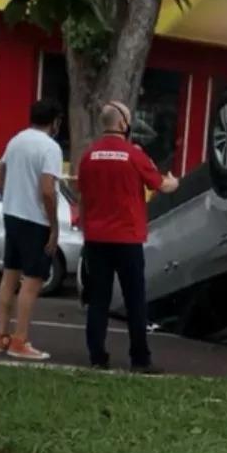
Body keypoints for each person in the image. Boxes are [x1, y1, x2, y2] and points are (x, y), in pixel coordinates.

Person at [78, 101, 179, 373]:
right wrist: (175, 181)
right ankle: (139, 359)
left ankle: (97, 356)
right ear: (123, 124)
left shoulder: (88, 156)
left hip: (96, 238)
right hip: (127, 238)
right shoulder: (134, 155)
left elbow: (83, 193)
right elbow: (160, 185)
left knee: (98, 299)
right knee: (135, 299)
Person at [0, 98, 64, 361]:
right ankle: (20, 340)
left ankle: (2, 336)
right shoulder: (51, 148)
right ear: (55, 121)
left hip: (12, 215)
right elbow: (47, 190)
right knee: (31, 282)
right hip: (36, 221)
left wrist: (11, 197)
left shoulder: (16, 140)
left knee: (9, 277)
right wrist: (54, 227)